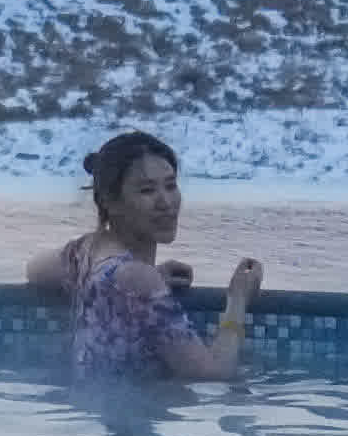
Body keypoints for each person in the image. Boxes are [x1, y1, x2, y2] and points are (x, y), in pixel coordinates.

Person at [22, 128, 260, 381]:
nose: (165, 202)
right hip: (134, 414)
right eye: (147, 190)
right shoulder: (137, 278)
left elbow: (35, 268)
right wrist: (237, 302)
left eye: (170, 186)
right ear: (110, 202)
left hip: (100, 410)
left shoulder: (90, 252)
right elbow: (212, 374)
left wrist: (140, 284)